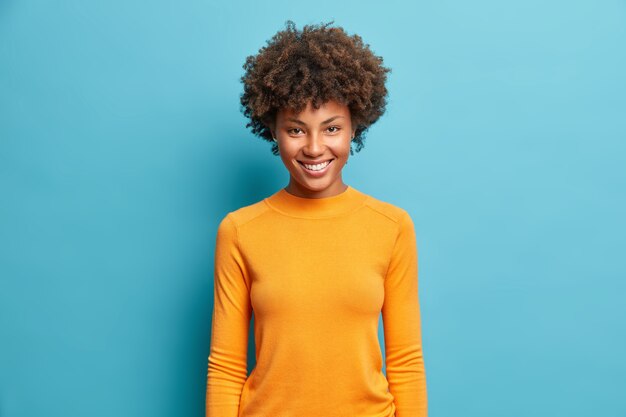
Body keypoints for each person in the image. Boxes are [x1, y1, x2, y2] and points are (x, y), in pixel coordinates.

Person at [206, 20, 428, 417]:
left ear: (353, 126)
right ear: (272, 129)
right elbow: (224, 367)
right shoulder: (239, 231)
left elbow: (406, 362)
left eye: (331, 128)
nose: (313, 147)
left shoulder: (391, 227)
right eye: (295, 129)